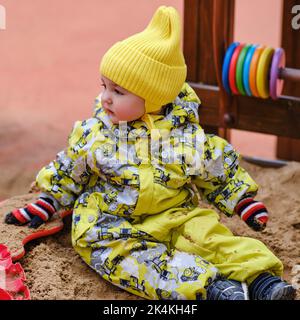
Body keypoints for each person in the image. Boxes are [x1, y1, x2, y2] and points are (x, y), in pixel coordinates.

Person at [5, 6, 296, 300]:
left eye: (118, 92)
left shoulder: (186, 138)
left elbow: (217, 167)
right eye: (104, 86)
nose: (105, 97)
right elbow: (69, 168)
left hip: (175, 215)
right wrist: (49, 200)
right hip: (112, 224)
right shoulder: (96, 134)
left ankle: (262, 282)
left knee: (210, 239)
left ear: (155, 97)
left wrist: (242, 200)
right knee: (132, 262)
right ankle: (213, 289)